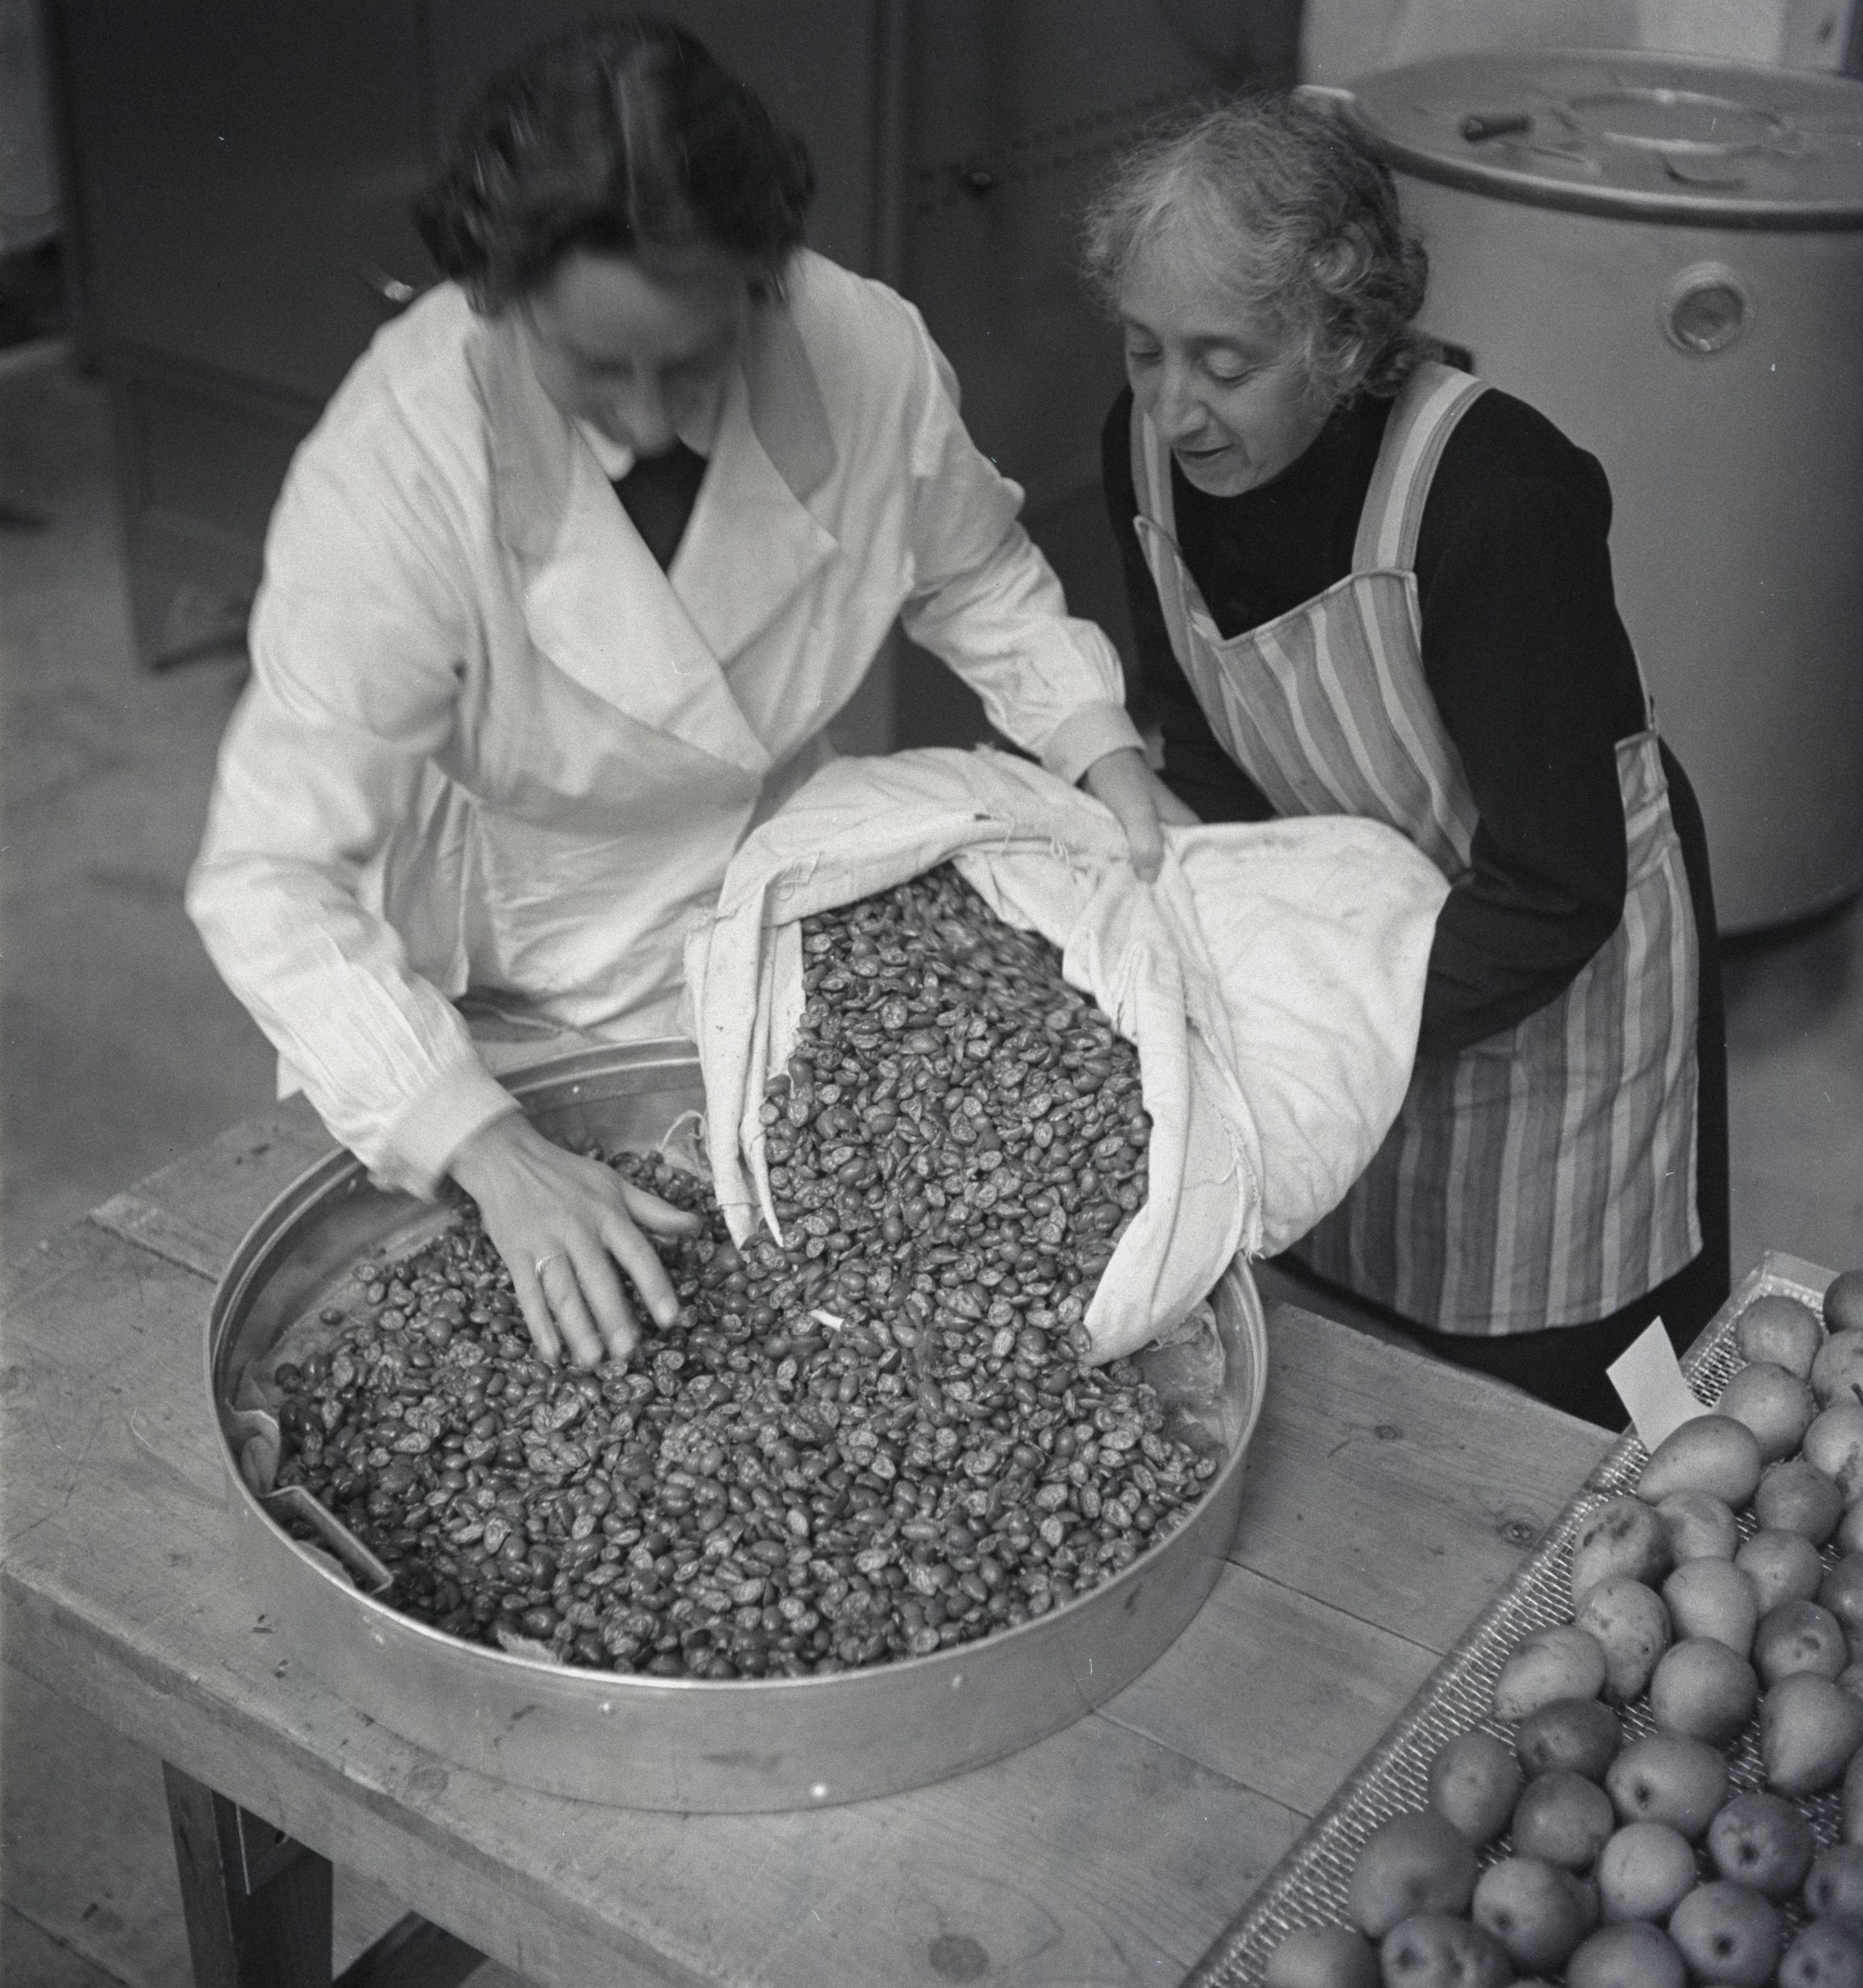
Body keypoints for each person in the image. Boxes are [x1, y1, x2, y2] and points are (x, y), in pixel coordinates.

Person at [189, 16, 1186, 1372]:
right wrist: (487, 1149)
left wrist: (1094, 746)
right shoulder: (402, 472)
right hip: (498, 967)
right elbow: (268, 879)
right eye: (596, 366)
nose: (650, 418)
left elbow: (973, 573)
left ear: (761, 284)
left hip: (759, 910)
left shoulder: (863, 353)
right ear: (500, 296)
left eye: (693, 358)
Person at [1084, 93, 1729, 1427]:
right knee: (1362, 1383)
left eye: (1223, 364)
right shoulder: (1138, 453)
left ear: (1344, 337)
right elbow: (1199, 733)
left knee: (1576, 1424)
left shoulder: (1491, 498)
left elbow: (1557, 888)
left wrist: (1327, 1031)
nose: (1174, 409)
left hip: (1550, 974)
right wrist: (1247, 977)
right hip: (1357, 956)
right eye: (1145, 351)